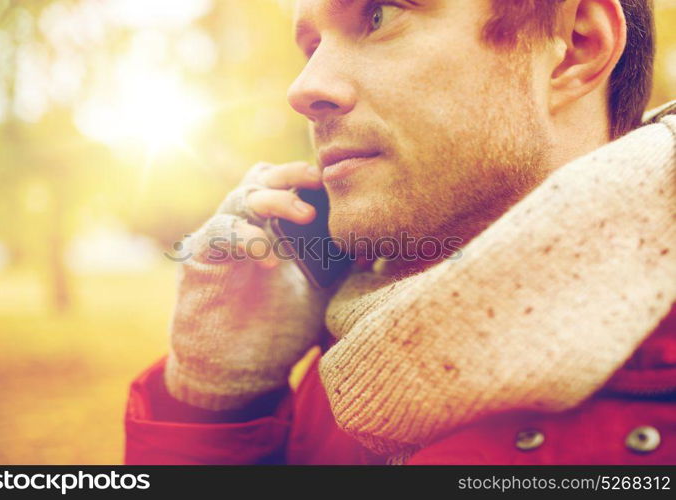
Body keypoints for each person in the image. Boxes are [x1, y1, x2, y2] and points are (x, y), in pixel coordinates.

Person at [124, 0, 676, 465]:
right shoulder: (343, 346)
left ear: (574, 47)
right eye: (312, 46)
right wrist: (214, 399)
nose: (303, 89)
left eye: (379, 14)